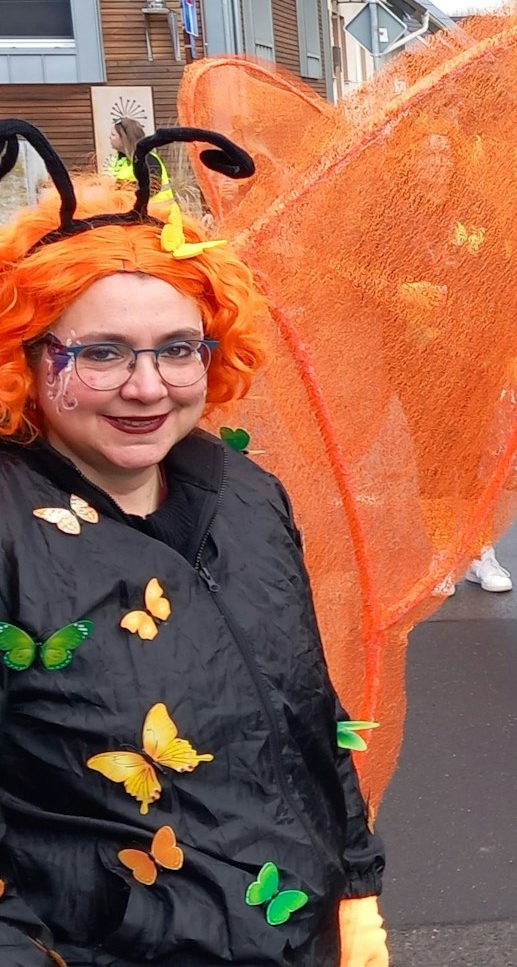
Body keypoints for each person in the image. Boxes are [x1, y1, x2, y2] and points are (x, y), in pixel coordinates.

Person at [0, 120, 389, 966]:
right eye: (99, 353)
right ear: (26, 358)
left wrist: (356, 891)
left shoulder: (246, 494)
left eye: (176, 348)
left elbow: (312, 712)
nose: (146, 386)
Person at [108, 117, 173, 208]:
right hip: (139, 216)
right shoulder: (121, 161)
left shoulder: (148, 158)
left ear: (124, 139)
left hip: (161, 215)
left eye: (113, 135)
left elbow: (153, 187)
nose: (109, 137)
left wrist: (122, 187)